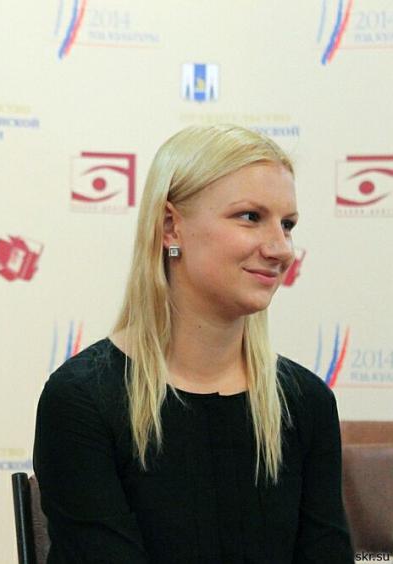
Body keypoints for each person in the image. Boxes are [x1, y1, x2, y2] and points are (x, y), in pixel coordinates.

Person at [33, 125, 353, 563]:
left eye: (288, 224)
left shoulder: (306, 402)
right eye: (250, 217)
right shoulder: (83, 400)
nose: (281, 249)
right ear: (171, 227)